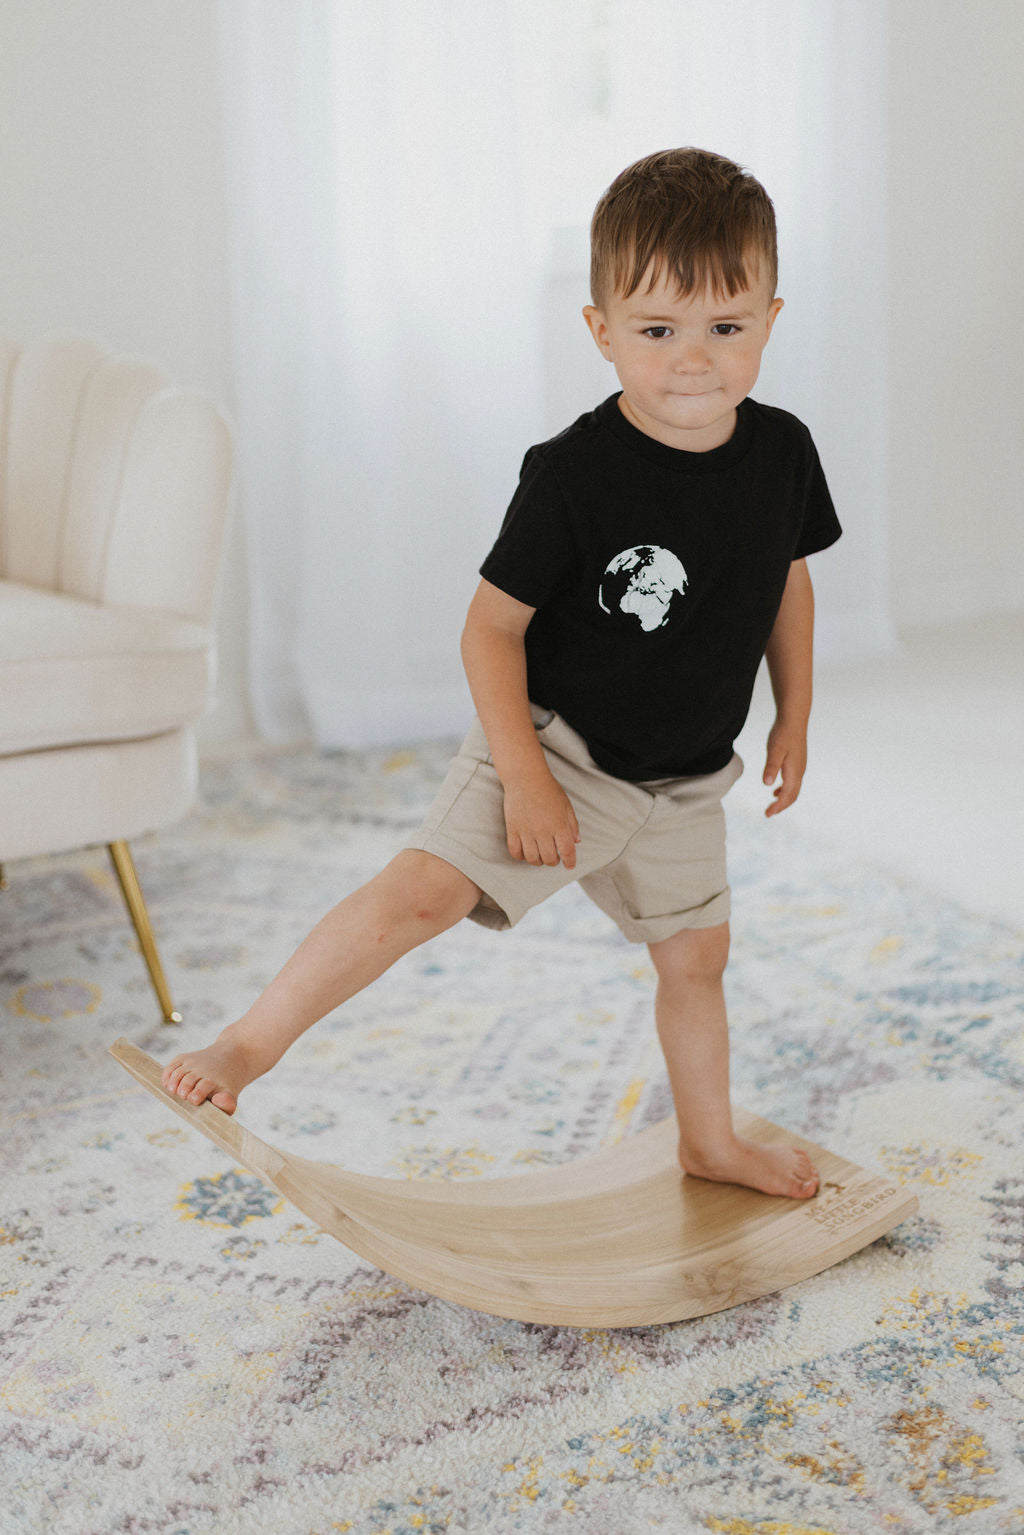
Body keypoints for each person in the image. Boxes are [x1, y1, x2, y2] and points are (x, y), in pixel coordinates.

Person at [163, 147, 841, 1200]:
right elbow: (489, 631)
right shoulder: (573, 474)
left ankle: (708, 1141)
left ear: (770, 318)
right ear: (601, 330)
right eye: (657, 330)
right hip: (557, 747)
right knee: (425, 890)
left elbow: (786, 582)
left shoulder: (784, 453)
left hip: (684, 778)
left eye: (726, 326)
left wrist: (794, 712)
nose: (693, 360)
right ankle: (248, 1042)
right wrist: (524, 776)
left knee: (695, 961)